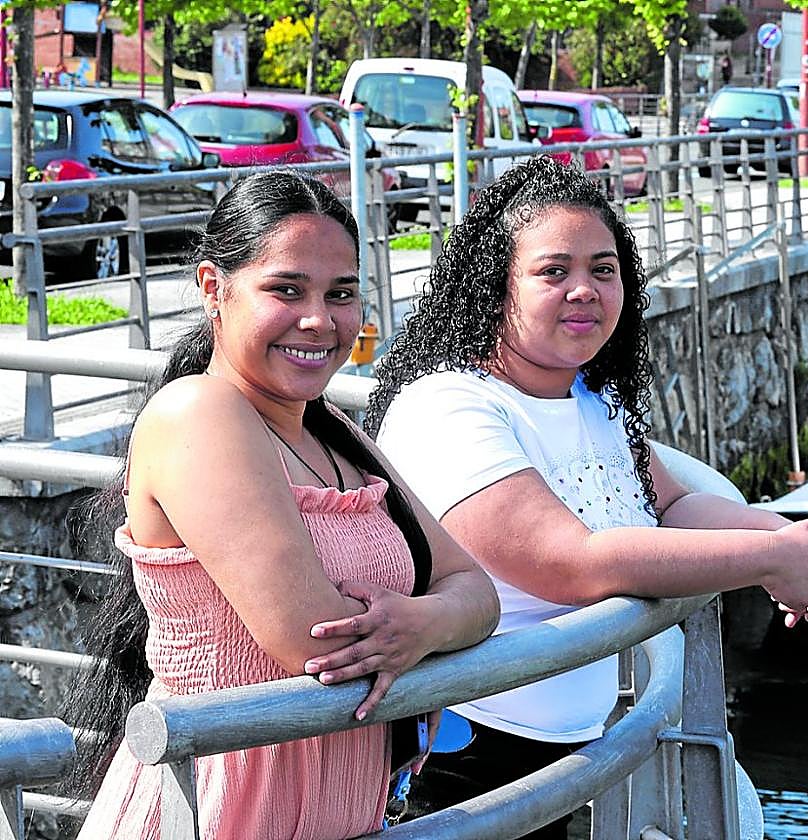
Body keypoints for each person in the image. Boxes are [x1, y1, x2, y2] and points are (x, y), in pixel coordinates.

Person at [362, 156, 808, 838]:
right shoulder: (449, 409)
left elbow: (671, 507)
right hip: (460, 752)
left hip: (564, 750)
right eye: (554, 271)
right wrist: (764, 560)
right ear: (495, 286)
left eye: (603, 269)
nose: (585, 289)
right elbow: (572, 563)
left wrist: (791, 539)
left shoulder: (590, 400)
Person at [65, 171, 500, 840]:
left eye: (342, 293)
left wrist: (424, 625)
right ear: (214, 287)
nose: (320, 321)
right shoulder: (197, 414)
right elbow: (312, 641)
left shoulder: (332, 431)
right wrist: (430, 632)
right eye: (286, 290)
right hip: (216, 809)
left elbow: (479, 591)